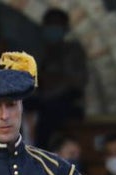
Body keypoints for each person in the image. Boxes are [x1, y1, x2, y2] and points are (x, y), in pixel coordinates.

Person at [29, 7, 88, 150]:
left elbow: (77, 80)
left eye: (57, 24)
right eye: (49, 24)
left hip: (64, 104)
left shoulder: (73, 50)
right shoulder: (38, 51)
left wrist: (54, 80)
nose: (52, 28)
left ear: (65, 28)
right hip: (41, 103)